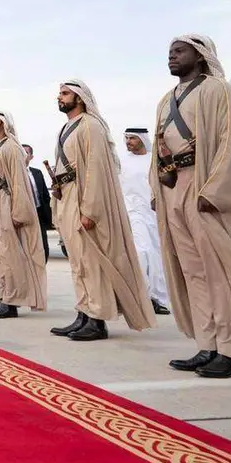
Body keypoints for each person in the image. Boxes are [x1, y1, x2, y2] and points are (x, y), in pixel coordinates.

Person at [151, 34, 231, 378]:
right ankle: (209, 345)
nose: (172, 57)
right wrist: (157, 187)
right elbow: (159, 147)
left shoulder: (218, 90)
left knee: (219, 272)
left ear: (200, 55)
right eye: (170, 52)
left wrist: (215, 189)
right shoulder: (166, 99)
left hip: (205, 187)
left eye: (179, 51)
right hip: (175, 187)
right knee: (193, 270)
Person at [49, 79, 155, 341]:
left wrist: (90, 210)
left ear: (80, 97)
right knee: (77, 261)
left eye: (64, 93)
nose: (59, 97)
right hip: (67, 197)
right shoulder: (66, 128)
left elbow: (95, 170)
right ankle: (84, 312)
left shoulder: (91, 126)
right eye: (59, 93)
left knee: (91, 261)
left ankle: (97, 320)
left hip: (84, 199)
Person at [0, 112, 46, 318]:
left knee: (10, 254)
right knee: (0, 254)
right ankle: (4, 296)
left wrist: (18, 212)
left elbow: (18, 181)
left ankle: (12, 301)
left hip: (9, 204)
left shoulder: (12, 147)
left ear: (4, 123)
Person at [121, 128, 170, 315]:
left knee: (158, 255)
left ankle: (157, 298)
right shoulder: (123, 162)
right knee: (142, 251)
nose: (128, 142)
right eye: (126, 138)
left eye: (132, 138)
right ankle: (142, 296)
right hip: (133, 212)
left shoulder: (153, 160)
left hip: (155, 213)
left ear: (142, 139)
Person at [22, 144, 52, 262]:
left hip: (39, 214)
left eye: (26, 153)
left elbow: (45, 195)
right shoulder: (13, 175)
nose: (23, 156)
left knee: (43, 247)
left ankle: (41, 271)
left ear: (31, 157)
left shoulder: (37, 173)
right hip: (24, 215)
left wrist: (50, 216)